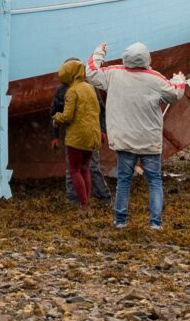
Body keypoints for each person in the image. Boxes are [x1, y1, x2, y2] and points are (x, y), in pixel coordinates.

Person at [90, 42, 178, 230]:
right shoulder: (155, 79)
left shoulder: (114, 74)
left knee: (124, 181)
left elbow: (90, 72)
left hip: (125, 141)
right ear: (147, 59)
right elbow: (175, 94)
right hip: (149, 141)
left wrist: (99, 52)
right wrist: (180, 80)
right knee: (154, 181)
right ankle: (155, 222)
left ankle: (120, 220)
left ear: (125, 58)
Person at [51, 57, 104, 208]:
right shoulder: (90, 87)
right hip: (92, 135)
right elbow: (98, 110)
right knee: (85, 169)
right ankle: (88, 199)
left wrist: (56, 118)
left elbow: (67, 116)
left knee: (74, 171)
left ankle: (84, 204)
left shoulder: (71, 91)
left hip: (77, 137)